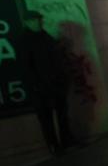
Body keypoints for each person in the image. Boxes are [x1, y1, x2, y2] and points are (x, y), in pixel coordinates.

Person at [22, 10, 75, 149]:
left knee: (61, 115)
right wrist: (36, 86)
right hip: (41, 87)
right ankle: (54, 145)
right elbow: (26, 67)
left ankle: (65, 141)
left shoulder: (45, 37)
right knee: (47, 119)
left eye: (39, 19)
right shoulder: (25, 41)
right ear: (27, 22)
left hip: (55, 84)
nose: (39, 22)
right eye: (35, 20)